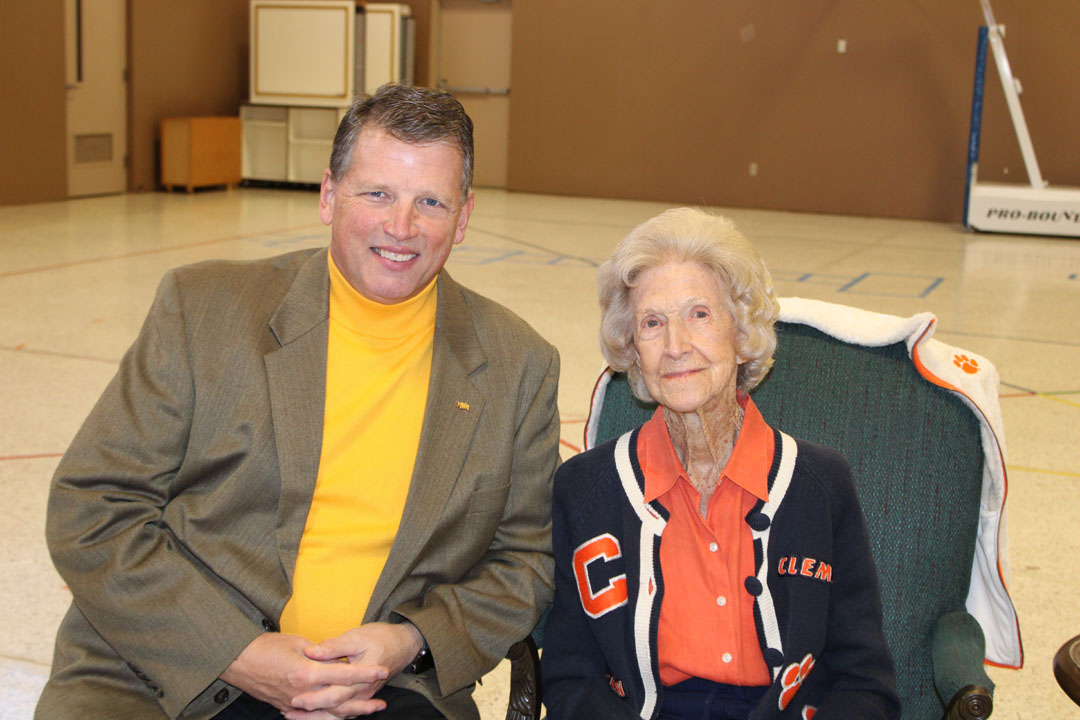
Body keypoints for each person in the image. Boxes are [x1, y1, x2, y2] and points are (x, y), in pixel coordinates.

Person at [37, 84, 561, 720]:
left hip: (382, 694)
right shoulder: (203, 310)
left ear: (465, 216)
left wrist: (410, 643)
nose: (402, 226)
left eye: (430, 201)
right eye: (377, 194)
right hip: (173, 677)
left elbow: (523, 566)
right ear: (328, 195)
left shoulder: (518, 364)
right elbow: (92, 505)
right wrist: (238, 652)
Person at [541, 208, 899, 719]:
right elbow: (570, 677)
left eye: (699, 315)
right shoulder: (588, 489)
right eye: (652, 323)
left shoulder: (818, 485)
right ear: (632, 349)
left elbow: (865, 683)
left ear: (741, 328)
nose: (676, 346)